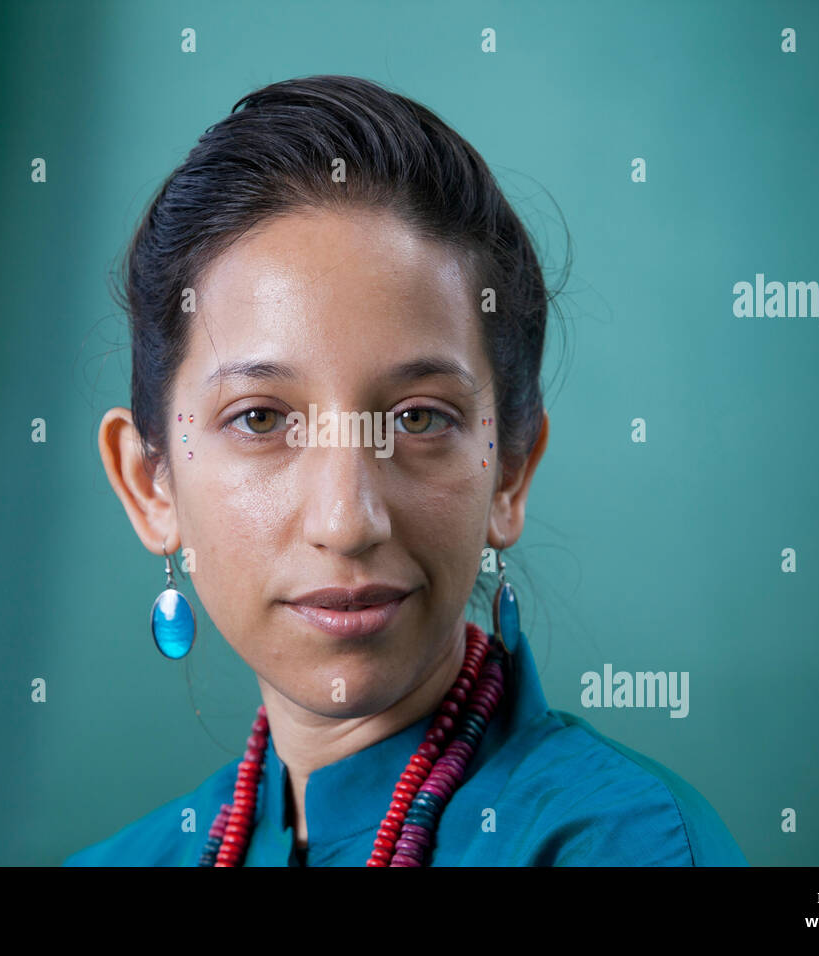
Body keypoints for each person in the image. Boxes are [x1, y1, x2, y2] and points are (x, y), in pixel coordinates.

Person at [67, 75, 747, 866]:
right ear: (151, 484)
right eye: (260, 418)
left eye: (418, 418)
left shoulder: (621, 844)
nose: (348, 520)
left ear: (511, 473)